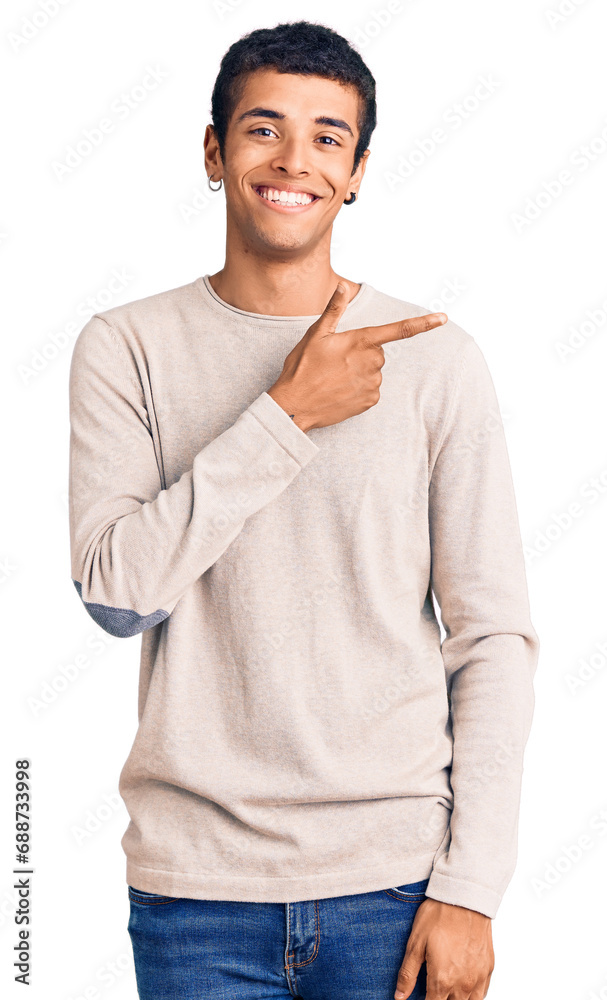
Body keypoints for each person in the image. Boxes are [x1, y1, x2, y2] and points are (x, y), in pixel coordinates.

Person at [68, 20, 539, 1000]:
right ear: (214, 150)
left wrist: (474, 886)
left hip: (396, 886)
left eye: (328, 137)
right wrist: (285, 413)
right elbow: (117, 593)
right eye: (263, 129)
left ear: (359, 170)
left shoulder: (435, 361)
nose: (294, 160)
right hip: (195, 896)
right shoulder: (125, 347)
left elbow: (491, 635)